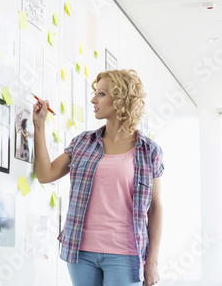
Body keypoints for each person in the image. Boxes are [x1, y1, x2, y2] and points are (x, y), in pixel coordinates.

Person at [33, 69, 163, 286]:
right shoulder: (83, 143)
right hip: (81, 253)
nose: (93, 99)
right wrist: (39, 126)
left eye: (101, 94)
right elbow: (46, 174)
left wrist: (153, 261)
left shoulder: (149, 151)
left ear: (121, 99)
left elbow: (156, 207)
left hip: (125, 254)